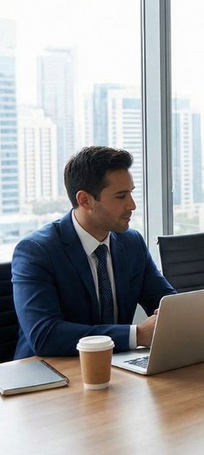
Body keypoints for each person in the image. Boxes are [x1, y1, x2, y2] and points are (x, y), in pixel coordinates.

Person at [12, 146, 175, 359]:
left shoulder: (131, 242)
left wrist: (176, 316)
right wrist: (137, 335)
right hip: (49, 374)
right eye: (120, 196)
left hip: (116, 366)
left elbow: (167, 302)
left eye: (131, 193)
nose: (132, 205)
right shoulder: (37, 251)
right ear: (85, 200)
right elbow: (45, 335)